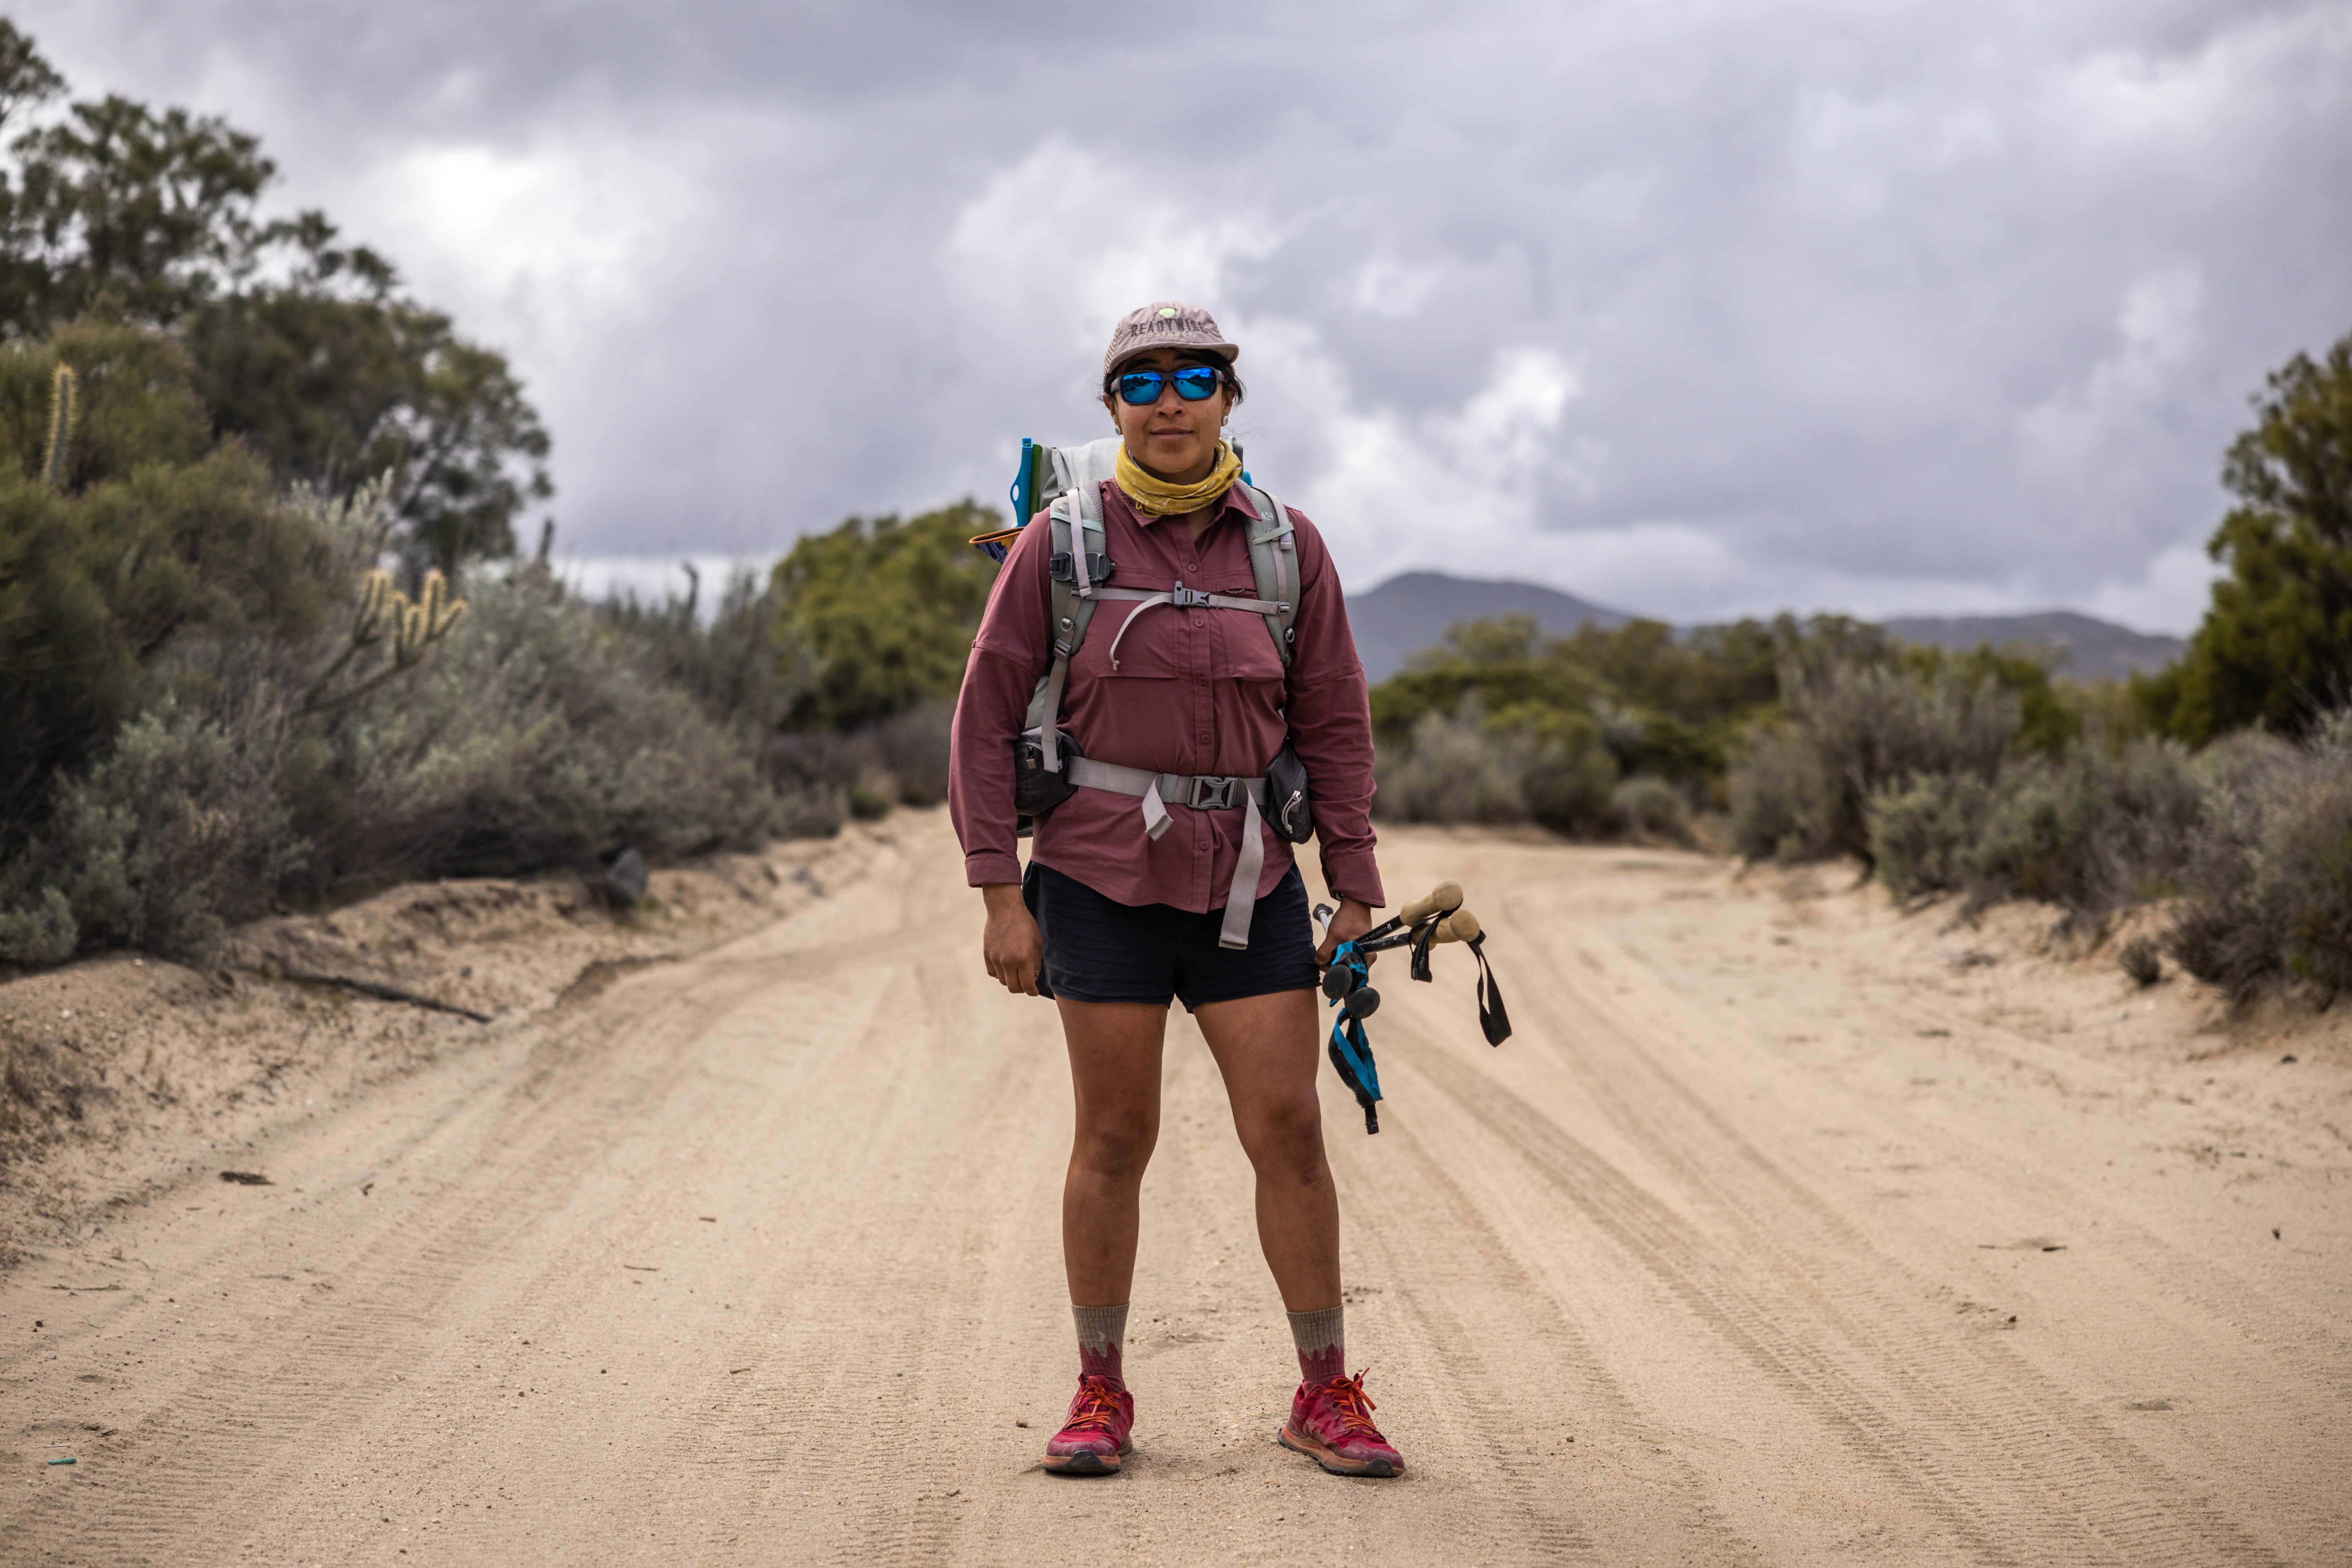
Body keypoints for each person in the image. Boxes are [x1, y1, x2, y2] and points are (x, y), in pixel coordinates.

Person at [948, 301, 1402, 1479]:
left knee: (1289, 1128)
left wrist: (1354, 888)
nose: (1169, 402)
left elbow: (1336, 723)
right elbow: (984, 719)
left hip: (1249, 882)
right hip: (1097, 882)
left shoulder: (1287, 548)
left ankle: (1325, 1394)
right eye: (1141, 383)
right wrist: (999, 893)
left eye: (1195, 379)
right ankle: (1099, 1391)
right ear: (1112, 407)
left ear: (1228, 401)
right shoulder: (1061, 546)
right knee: (1115, 1135)